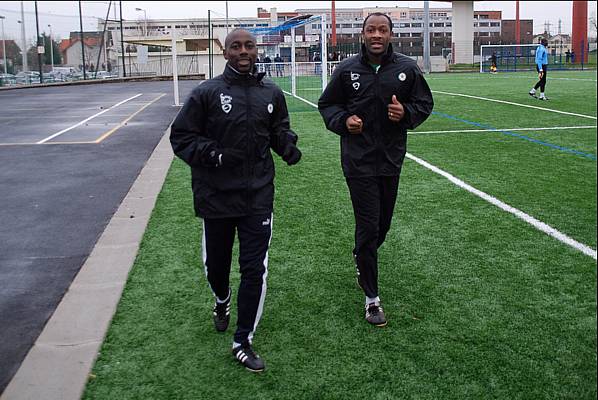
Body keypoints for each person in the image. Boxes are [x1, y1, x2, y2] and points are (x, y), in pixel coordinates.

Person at [170, 28, 302, 372]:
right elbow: (181, 137)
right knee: (217, 267)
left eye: (249, 46)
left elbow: (278, 129)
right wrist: (214, 155)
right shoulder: (206, 93)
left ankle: (242, 340)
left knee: (253, 269)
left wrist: (286, 145)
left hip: (258, 194)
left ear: (256, 51)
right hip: (215, 196)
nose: (243, 51)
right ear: (225, 52)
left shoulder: (271, 92)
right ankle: (221, 299)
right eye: (236, 46)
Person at [318, 13, 433, 327]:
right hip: (358, 162)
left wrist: (405, 112)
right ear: (363, 34)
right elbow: (327, 105)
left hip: (391, 160)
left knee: (382, 227)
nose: (377, 35)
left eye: (383, 29)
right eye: (371, 30)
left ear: (391, 34)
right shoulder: (346, 70)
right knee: (368, 226)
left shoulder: (407, 69)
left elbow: (424, 103)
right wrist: (344, 121)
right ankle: (372, 299)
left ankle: (361, 255)